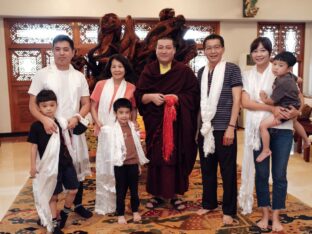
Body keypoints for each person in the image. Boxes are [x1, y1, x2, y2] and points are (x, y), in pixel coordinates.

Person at [238, 37, 300, 232]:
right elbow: (246, 103)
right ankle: (265, 215)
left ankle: (276, 216)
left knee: (280, 175)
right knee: (262, 174)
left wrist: (297, 112)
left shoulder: (280, 71)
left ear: (270, 53)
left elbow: (297, 99)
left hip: (282, 129)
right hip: (258, 131)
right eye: (255, 50)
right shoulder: (247, 75)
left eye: (263, 50)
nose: (259, 54)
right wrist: (270, 108)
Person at [28, 35, 93, 220]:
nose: (62, 53)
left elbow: (86, 103)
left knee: (76, 166)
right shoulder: (43, 74)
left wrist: (77, 116)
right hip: (50, 131)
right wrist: (44, 120)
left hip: (72, 128)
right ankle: (48, 212)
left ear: (73, 52)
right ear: (52, 51)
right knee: (50, 170)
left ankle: (77, 205)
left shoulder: (79, 76)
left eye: (66, 49)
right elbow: (32, 104)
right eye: (57, 49)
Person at [134, 36, 199, 210]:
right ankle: (156, 194)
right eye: (160, 47)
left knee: (175, 156)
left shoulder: (183, 71)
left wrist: (178, 98)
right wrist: (151, 97)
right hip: (155, 122)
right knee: (156, 157)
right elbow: (139, 95)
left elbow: (194, 95)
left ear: (174, 50)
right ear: (156, 50)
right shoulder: (149, 70)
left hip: (177, 124)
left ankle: (176, 194)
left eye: (168, 47)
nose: (164, 51)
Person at [196, 34, 242, 225]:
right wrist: (197, 129)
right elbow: (200, 103)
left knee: (228, 170)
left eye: (216, 47)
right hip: (206, 129)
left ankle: (229, 210)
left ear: (222, 49)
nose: (213, 51)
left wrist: (232, 127)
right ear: (204, 50)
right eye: (209, 48)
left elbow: (237, 100)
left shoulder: (232, 69)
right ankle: (209, 203)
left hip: (225, 128)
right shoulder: (201, 72)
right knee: (207, 169)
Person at [90, 54, 138, 215]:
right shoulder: (100, 85)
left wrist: (133, 124)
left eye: (120, 66)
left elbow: (133, 109)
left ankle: (121, 202)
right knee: (105, 166)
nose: (117, 69)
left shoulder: (131, 87)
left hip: (122, 133)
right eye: (114, 66)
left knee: (120, 167)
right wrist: (98, 123)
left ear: (125, 68)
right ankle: (106, 202)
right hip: (105, 131)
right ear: (109, 68)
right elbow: (93, 106)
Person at [28, 90, 79, 234]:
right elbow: (33, 147)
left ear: (57, 105)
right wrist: (32, 166)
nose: (49, 108)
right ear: (38, 108)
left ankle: (65, 213)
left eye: (52, 105)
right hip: (49, 166)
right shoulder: (36, 126)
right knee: (53, 195)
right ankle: (55, 223)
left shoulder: (61, 122)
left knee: (74, 189)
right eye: (44, 106)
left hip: (65, 162)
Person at [257, 51, 310, 162]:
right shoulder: (289, 75)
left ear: (289, 68)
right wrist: (298, 80)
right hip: (293, 105)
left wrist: (264, 98)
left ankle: (266, 150)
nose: (276, 68)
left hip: (286, 110)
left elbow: (272, 101)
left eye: (280, 65)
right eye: (275, 64)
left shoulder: (283, 82)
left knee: (263, 126)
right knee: (295, 122)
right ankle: (306, 140)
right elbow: (298, 79)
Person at [109, 98, 149, 224]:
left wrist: (138, 164)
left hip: (132, 164)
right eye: (121, 112)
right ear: (116, 113)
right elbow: (110, 149)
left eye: (127, 112)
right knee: (121, 190)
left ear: (131, 113)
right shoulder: (112, 129)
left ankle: (135, 211)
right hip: (120, 165)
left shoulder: (133, 127)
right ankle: (120, 213)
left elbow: (137, 146)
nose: (124, 115)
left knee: (134, 189)